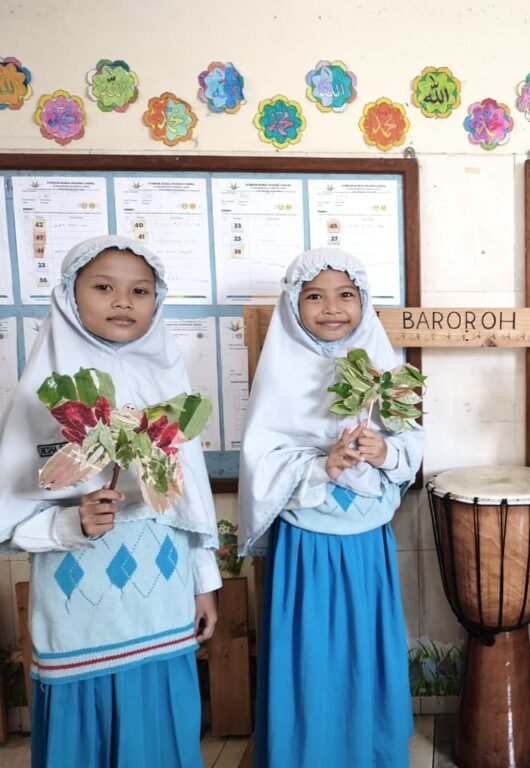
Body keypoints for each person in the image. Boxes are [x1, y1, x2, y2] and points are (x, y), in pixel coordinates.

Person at [0, 235, 221, 767]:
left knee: (162, 733)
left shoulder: (167, 380)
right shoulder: (40, 395)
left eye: (139, 290)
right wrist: (70, 526)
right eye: (104, 287)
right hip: (82, 616)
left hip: (162, 606)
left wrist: (204, 584)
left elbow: (187, 503)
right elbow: (11, 520)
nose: (123, 301)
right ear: (70, 296)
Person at [238, 249, 423, 768]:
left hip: (366, 539)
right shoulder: (281, 371)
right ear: (294, 305)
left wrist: (384, 451)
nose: (331, 307)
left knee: (364, 649)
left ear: (364, 302)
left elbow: (410, 442)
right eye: (314, 295)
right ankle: (309, 752)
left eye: (346, 294)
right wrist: (323, 465)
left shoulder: (388, 368)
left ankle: (369, 750)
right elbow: (263, 459)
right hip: (309, 540)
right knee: (311, 653)